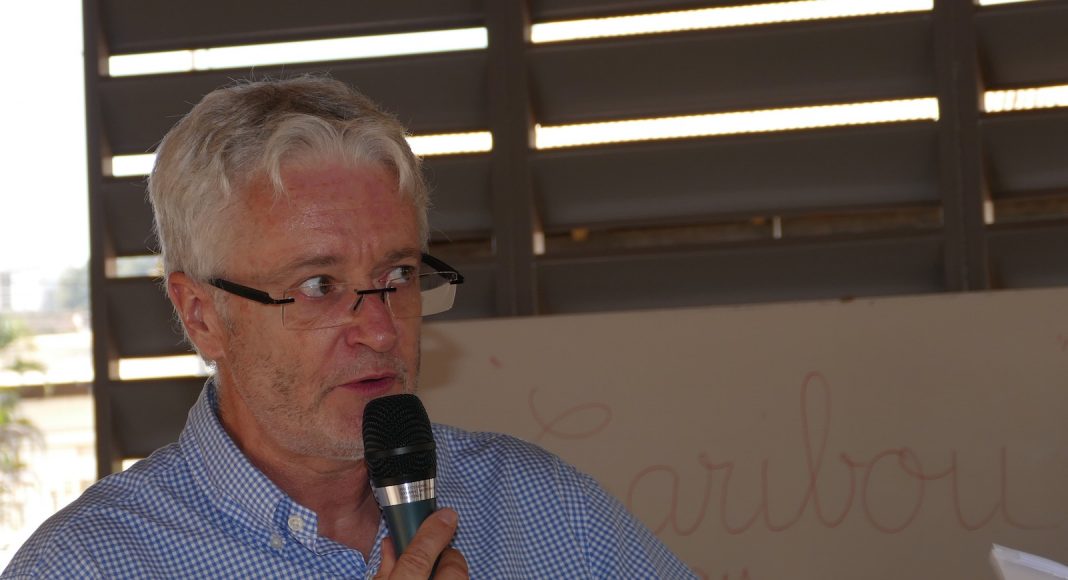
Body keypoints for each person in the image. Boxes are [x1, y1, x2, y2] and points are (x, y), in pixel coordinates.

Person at [3, 76, 695, 578]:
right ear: (201, 315)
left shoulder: (544, 510)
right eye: (318, 285)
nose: (382, 331)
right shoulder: (87, 565)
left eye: (398, 275)